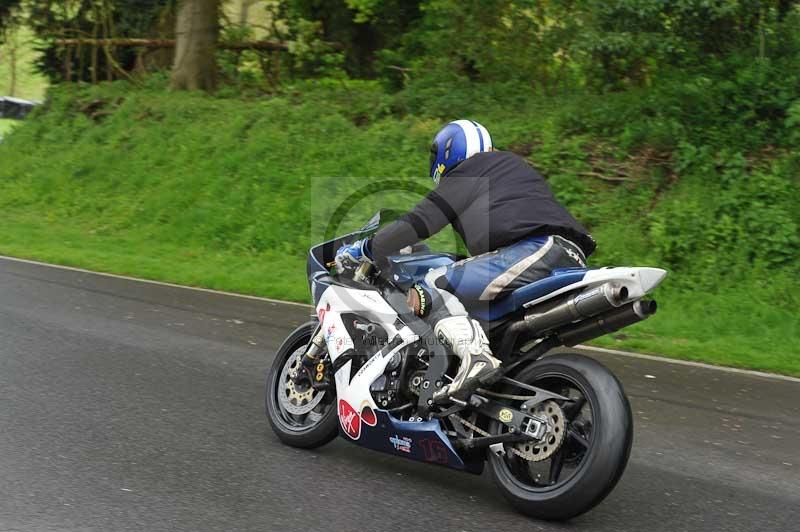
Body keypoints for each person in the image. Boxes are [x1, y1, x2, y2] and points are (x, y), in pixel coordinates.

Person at [324, 120, 595, 401]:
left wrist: (367, 248)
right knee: (486, 320)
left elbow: (420, 221)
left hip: (538, 249)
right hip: (566, 254)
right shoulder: (508, 170)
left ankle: (476, 359)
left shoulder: (469, 172)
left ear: (447, 154)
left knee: (433, 285)